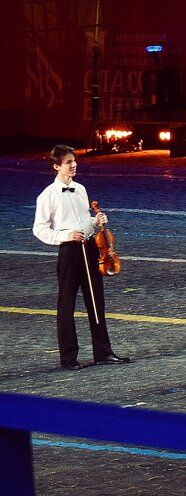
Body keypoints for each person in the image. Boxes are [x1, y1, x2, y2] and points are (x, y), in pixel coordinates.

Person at [32, 145, 132, 370]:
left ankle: (103, 352)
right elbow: (39, 229)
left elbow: (84, 220)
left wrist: (96, 222)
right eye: (68, 162)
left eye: (74, 161)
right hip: (69, 252)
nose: (74, 164)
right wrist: (65, 235)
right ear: (57, 166)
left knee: (96, 302)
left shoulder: (81, 189)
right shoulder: (47, 195)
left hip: (89, 249)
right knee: (66, 304)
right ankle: (68, 357)